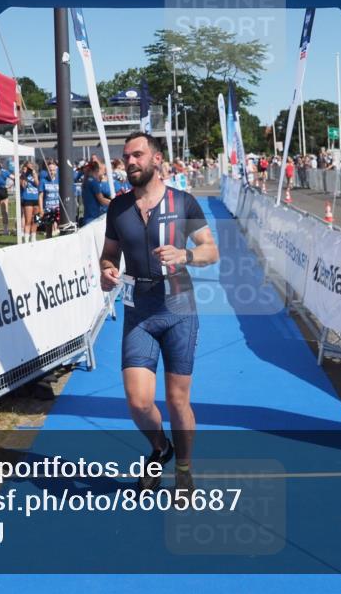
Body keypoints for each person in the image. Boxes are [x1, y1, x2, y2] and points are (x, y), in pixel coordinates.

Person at [99, 133, 219, 493]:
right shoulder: (118, 208)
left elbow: (210, 250)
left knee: (177, 400)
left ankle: (183, 468)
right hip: (139, 311)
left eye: (137, 155)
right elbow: (108, 254)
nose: (130, 162)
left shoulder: (183, 203)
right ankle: (160, 447)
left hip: (180, 309)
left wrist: (185, 256)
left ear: (156, 158)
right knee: (138, 402)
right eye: (126, 157)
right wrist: (105, 271)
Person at [81, 158, 111, 226]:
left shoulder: (86, 181)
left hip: (87, 217)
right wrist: (113, 203)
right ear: (97, 171)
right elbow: (101, 200)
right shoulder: (94, 182)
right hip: (94, 218)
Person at [38, 162, 61, 239]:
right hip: (48, 208)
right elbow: (40, 196)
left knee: (61, 227)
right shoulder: (43, 181)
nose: (52, 172)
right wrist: (41, 209)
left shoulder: (59, 180)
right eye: (50, 170)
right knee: (48, 230)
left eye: (53, 170)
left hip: (57, 208)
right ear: (47, 171)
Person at [20, 161, 41, 242]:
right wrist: (24, 175)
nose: (29, 169)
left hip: (36, 200)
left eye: (31, 167)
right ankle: (26, 238)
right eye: (28, 167)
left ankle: (33, 236)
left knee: (36, 220)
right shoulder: (22, 176)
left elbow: (37, 184)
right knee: (28, 220)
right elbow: (23, 186)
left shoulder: (36, 175)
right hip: (28, 199)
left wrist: (34, 174)